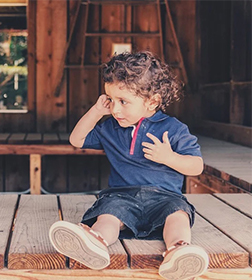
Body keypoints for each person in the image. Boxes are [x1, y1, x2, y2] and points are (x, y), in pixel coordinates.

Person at [49, 51, 209, 280]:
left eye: (123, 102)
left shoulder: (174, 129)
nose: (114, 109)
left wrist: (169, 157)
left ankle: (178, 251)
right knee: (109, 215)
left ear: (152, 101)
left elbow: (197, 166)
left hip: (164, 198)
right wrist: (96, 112)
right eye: (111, 100)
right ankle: (95, 242)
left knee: (178, 214)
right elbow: (77, 140)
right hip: (122, 197)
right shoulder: (111, 128)